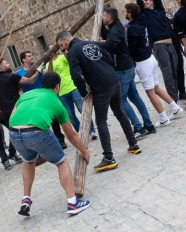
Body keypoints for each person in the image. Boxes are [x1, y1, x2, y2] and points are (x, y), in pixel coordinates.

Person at [9, 71, 91, 217]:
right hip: (36, 131)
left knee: (28, 161)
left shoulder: (27, 94)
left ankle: (26, 200)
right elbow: (71, 135)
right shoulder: (56, 102)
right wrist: (84, 151)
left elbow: (12, 116)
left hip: (14, 133)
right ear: (57, 86)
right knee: (61, 162)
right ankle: (73, 203)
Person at [57, 30, 140, 172]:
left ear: (66, 40)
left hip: (101, 87)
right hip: (114, 80)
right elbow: (108, 58)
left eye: (61, 45)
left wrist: (83, 92)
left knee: (101, 121)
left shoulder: (73, 52)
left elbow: (75, 76)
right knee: (119, 112)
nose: (61, 48)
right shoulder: (91, 43)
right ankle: (134, 144)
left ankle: (108, 158)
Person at [123, 2, 185, 126]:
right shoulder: (140, 22)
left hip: (143, 61)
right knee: (156, 88)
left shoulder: (133, 28)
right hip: (150, 57)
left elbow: (132, 48)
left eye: (125, 11)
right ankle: (175, 108)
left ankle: (163, 118)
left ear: (129, 14)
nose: (124, 13)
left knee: (150, 92)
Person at [101, 6, 157, 140]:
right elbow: (107, 36)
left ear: (109, 18)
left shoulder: (116, 29)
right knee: (135, 96)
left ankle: (138, 127)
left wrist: (96, 45)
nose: (102, 18)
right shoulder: (116, 27)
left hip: (122, 69)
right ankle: (148, 125)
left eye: (103, 16)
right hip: (127, 66)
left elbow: (110, 44)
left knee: (121, 100)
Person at [133, 0, 181, 103]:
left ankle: (176, 95)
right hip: (159, 45)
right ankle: (174, 100)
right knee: (167, 73)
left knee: (174, 71)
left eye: (147, 0)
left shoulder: (159, 9)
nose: (145, 2)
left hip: (170, 44)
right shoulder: (144, 14)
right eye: (143, 2)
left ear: (152, 1)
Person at [16, 51, 66, 148]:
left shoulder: (39, 68)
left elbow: (49, 73)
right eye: (29, 56)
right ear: (23, 59)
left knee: (54, 119)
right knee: (38, 122)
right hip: (31, 101)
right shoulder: (19, 73)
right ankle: (45, 143)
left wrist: (50, 61)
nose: (32, 57)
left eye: (32, 55)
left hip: (43, 97)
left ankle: (60, 140)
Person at [48, 49, 97, 140]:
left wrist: (64, 52)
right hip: (61, 92)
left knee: (82, 109)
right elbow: (49, 73)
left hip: (72, 87)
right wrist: (50, 60)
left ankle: (92, 131)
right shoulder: (48, 64)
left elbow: (69, 61)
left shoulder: (62, 57)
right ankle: (82, 132)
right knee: (70, 116)